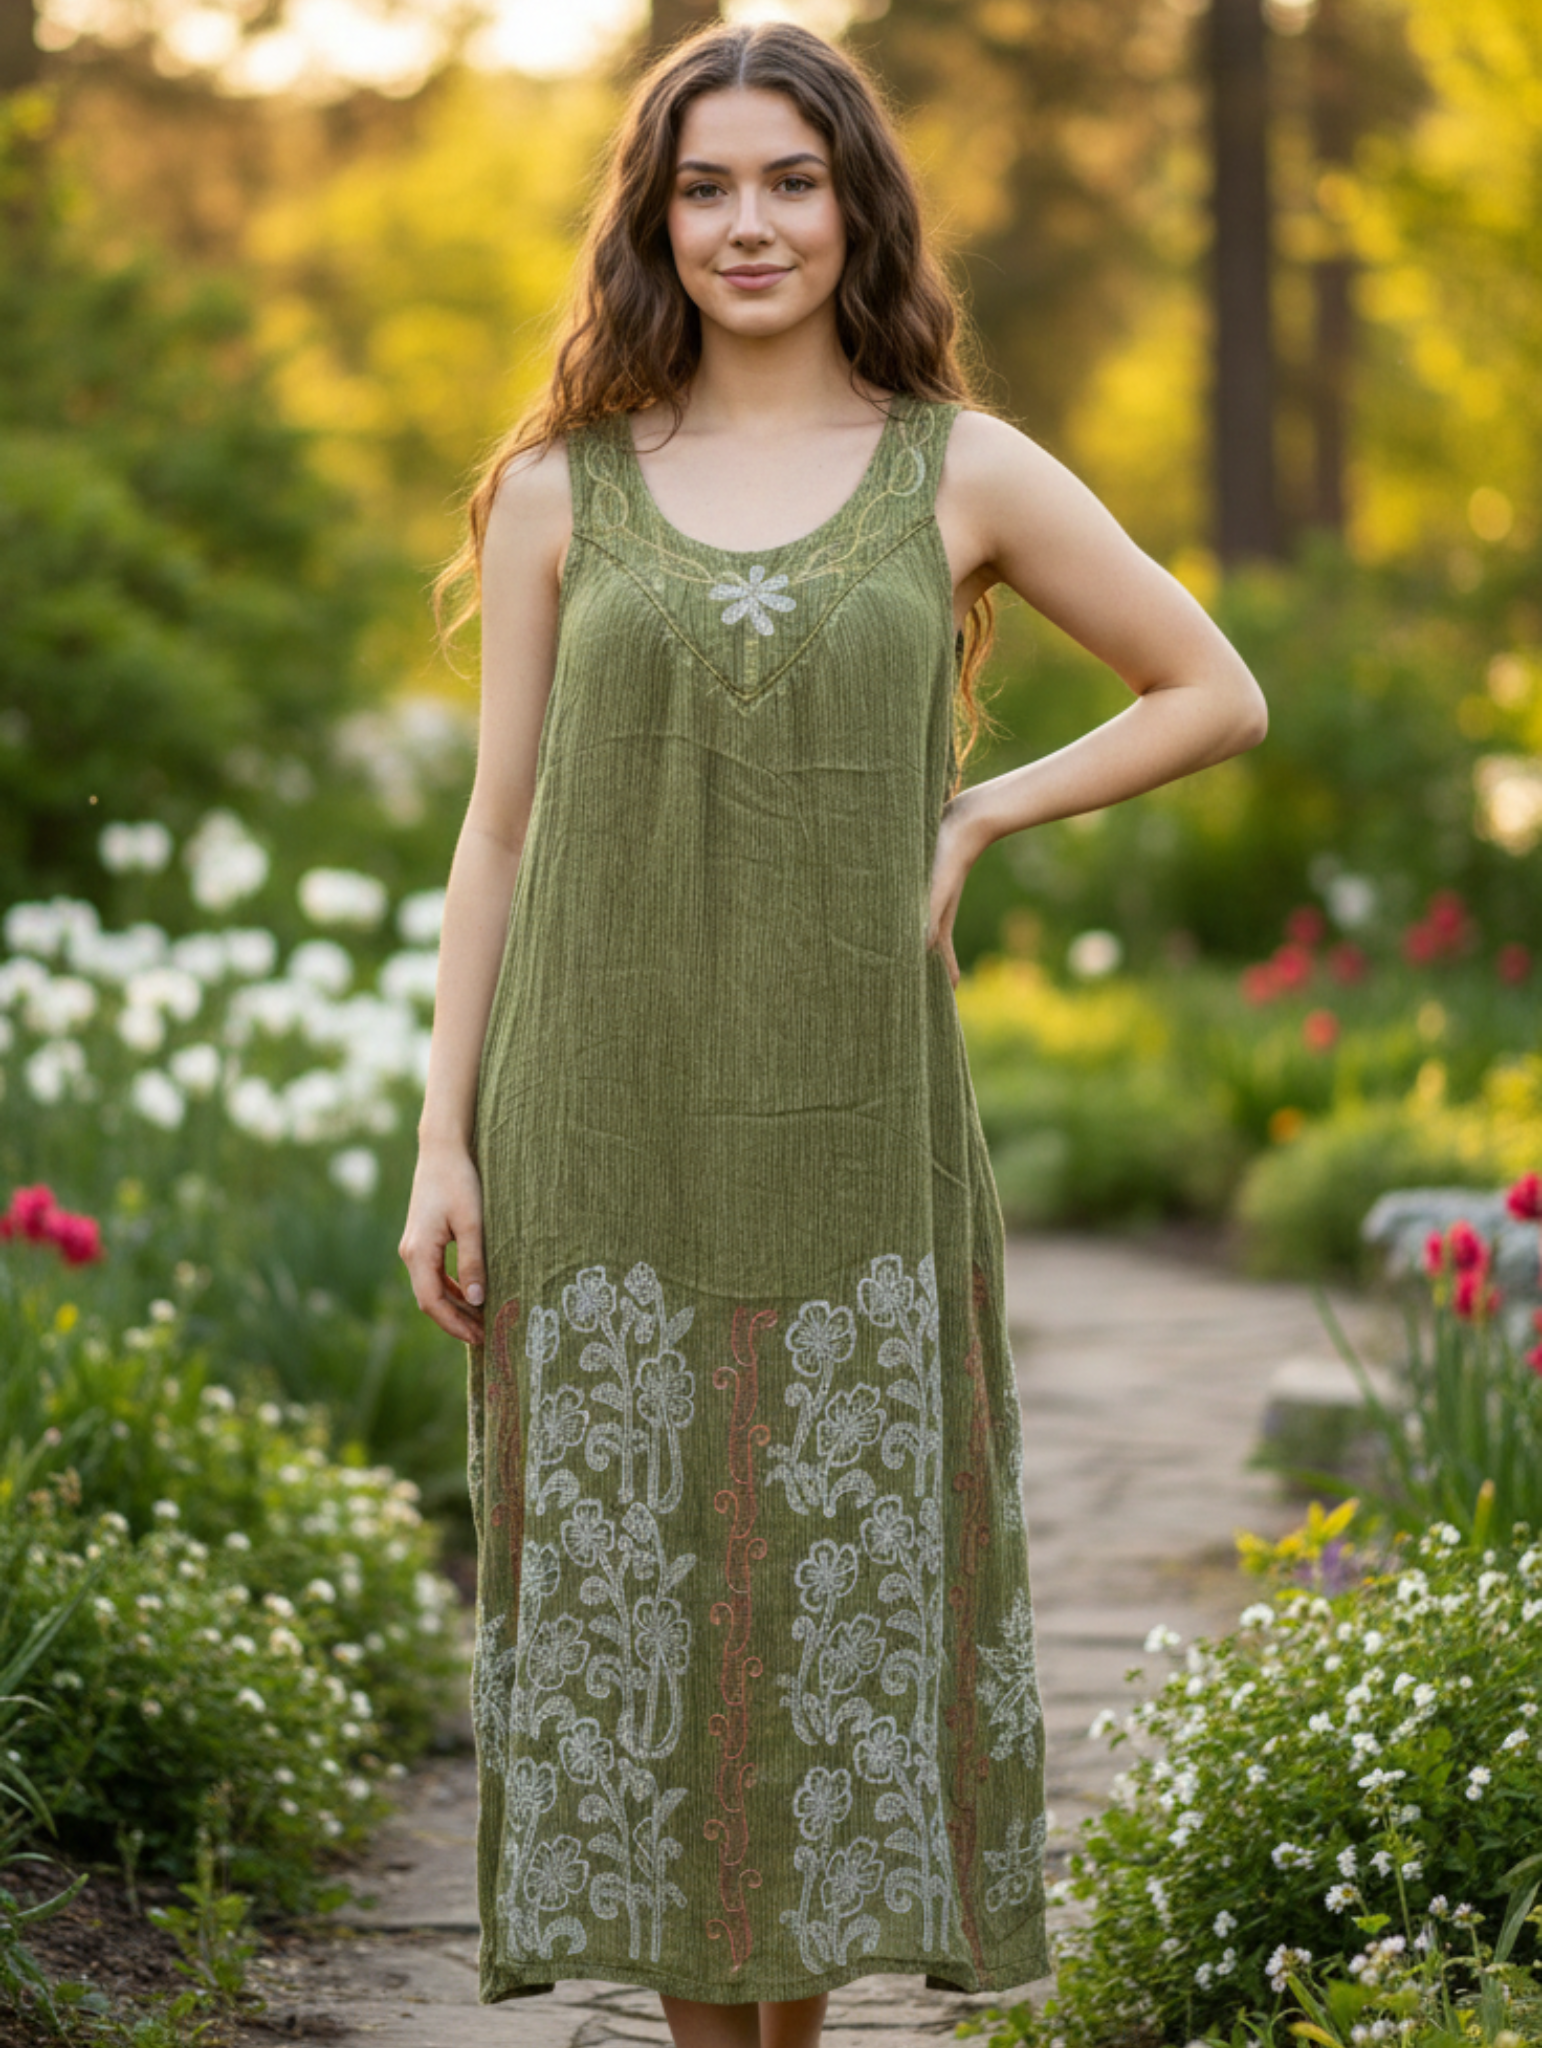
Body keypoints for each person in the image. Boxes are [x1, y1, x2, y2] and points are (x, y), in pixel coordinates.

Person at [398, 18, 1267, 2048]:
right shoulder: (558, 492)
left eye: (791, 179)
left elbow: (1208, 690)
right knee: (645, 1637)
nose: (750, 222)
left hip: (860, 1131)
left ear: (856, 202)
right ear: (655, 219)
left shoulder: (955, 467)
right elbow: (497, 828)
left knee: (826, 1636)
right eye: (705, 186)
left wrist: (980, 806)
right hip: (595, 1125)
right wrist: (444, 1140)